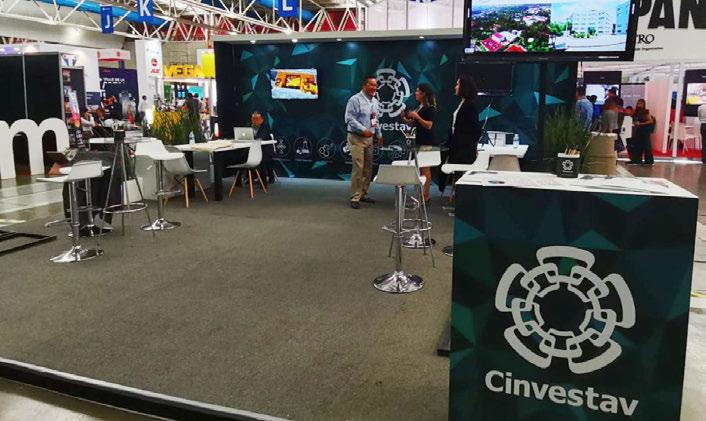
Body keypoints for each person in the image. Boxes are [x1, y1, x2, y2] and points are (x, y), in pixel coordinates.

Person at [344, 75, 383, 210]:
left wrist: (379, 134)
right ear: (365, 85)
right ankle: (355, 197)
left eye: (376, 85)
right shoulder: (354, 100)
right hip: (356, 137)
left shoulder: (375, 101)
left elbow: (374, 119)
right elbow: (349, 118)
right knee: (358, 167)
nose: (374, 87)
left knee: (368, 167)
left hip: (369, 139)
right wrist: (363, 129)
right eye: (372, 85)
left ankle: (363, 194)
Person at [401, 83, 436, 203]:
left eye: (417, 91)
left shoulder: (430, 107)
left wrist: (417, 117)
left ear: (423, 93)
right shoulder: (419, 107)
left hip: (427, 141)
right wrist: (404, 118)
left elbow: (429, 125)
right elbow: (413, 124)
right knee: (420, 168)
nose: (415, 93)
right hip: (419, 140)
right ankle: (421, 194)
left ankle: (425, 196)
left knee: (425, 169)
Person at [448, 74, 482, 166]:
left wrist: (468, 145)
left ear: (464, 87)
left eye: (457, 84)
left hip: (464, 150)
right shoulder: (461, 103)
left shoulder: (470, 105)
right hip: (456, 147)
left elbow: (476, 129)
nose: (455, 87)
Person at [251, 111, 276, 185]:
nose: (254, 120)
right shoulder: (249, 125)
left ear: (261, 119)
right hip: (253, 148)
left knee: (264, 158)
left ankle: (269, 178)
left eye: (256, 118)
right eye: (253, 118)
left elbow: (262, 136)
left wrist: (253, 137)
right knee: (243, 156)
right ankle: (248, 178)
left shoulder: (266, 126)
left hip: (266, 148)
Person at [629, 99, 655, 165]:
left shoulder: (645, 112)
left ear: (643, 104)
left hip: (645, 130)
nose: (639, 105)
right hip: (638, 130)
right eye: (638, 103)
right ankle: (636, 160)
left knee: (646, 146)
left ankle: (649, 161)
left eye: (641, 103)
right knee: (637, 145)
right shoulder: (636, 112)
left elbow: (650, 121)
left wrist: (641, 123)